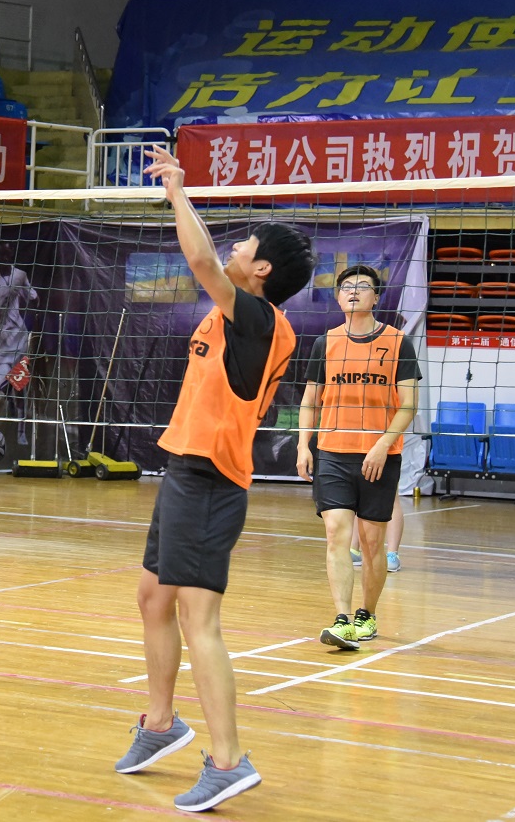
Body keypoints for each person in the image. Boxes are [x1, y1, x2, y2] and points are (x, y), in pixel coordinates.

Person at [116, 146, 314, 813]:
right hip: (184, 467)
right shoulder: (232, 315)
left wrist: (178, 191)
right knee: (152, 597)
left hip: (210, 480)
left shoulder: (258, 319)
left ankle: (228, 761)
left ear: (261, 271)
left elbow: (201, 260)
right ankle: (161, 723)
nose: (232, 246)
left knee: (199, 619)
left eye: (245, 244)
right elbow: (209, 261)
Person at [297, 265, 420, 651]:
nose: (353, 291)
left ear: (376, 297)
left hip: (379, 457)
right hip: (333, 452)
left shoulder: (398, 342)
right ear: (338, 297)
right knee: (336, 532)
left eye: (362, 287)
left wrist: (383, 444)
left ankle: (367, 613)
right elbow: (310, 400)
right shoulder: (325, 343)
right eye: (346, 287)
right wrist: (303, 445)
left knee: (371, 543)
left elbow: (409, 404)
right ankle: (342, 618)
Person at [0, 244, 38, 447]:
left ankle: (21, 432)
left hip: (18, 340)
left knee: (20, 386)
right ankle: (9, 399)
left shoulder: (20, 276)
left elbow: (34, 297)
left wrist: (32, 318)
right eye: (1, 254)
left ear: (12, 256)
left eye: (8, 254)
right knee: (3, 382)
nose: (5, 258)